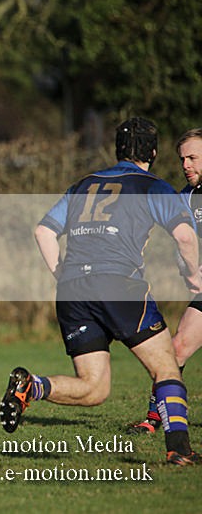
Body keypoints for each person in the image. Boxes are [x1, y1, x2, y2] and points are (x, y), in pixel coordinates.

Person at [0, 117, 202, 466]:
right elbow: (185, 236)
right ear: (152, 152)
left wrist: (61, 273)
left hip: (72, 291)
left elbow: (43, 232)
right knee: (166, 367)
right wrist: (196, 276)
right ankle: (180, 451)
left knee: (94, 388)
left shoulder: (82, 185)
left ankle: (31, 387)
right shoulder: (153, 186)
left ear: (117, 150)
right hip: (118, 284)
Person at [127, 127, 202, 434]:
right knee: (178, 347)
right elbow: (181, 243)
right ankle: (154, 418)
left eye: (193, 158)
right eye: (182, 158)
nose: (185, 165)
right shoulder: (185, 198)